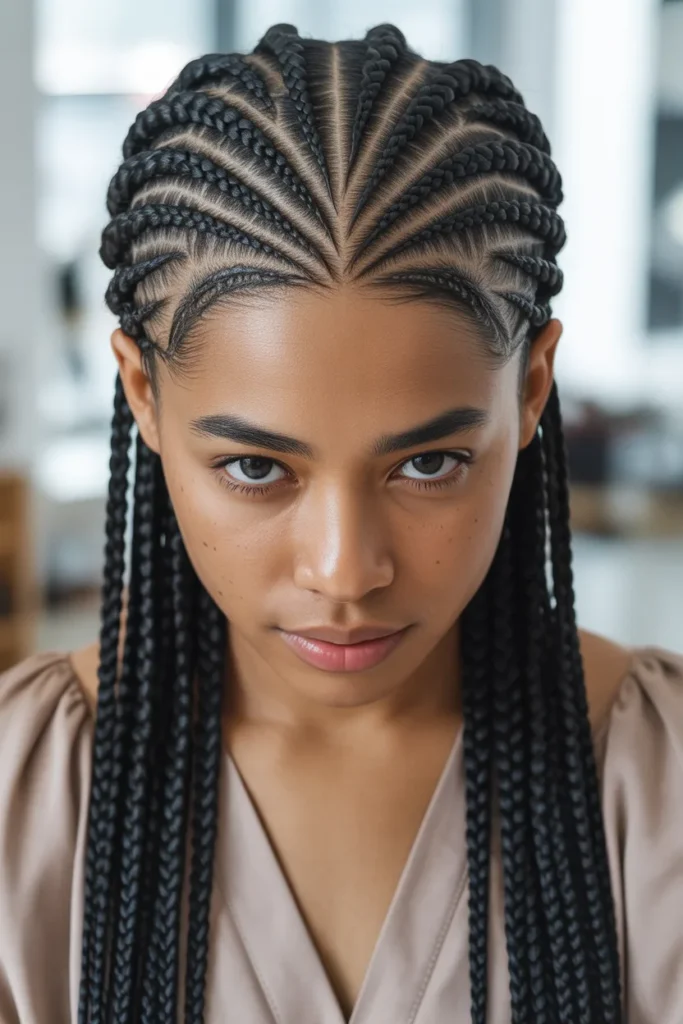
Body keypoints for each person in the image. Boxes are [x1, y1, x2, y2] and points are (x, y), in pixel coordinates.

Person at [0, 22, 681, 1024]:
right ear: (143, 395)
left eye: (427, 462)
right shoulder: (24, 802)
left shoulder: (653, 791)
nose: (345, 570)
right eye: (255, 467)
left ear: (530, 387)